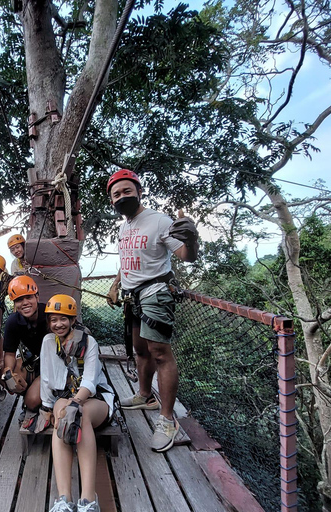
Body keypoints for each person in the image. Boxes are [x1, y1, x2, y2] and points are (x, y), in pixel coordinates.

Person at [105, 169, 198, 453]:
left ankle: (168, 419)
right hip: (133, 295)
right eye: (116, 194)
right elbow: (128, 259)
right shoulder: (124, 227)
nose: (122, 197)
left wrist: (192, 239)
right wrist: (116, 283)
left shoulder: (158, 221)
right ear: (112, 201)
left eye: (126, 191)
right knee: (139, 349)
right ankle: (146, 395)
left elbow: (185, 255)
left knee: (160, 353)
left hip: (156, 292)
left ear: (139, 191)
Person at [40, 294, 114, 512]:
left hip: (94, 397)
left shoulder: (88, 342)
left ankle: (88, 499)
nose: (58, 324)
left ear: (73, 319)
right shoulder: (47, 342)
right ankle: (64, 499)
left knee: (77, 415)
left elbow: (91, 380)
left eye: (63, 319)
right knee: (64, 414)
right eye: (53, 319)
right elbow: (46, 377)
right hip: (63, 394)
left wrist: (76, 402)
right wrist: (46, 406)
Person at [1, 276, 48, 426]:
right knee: (6, 378)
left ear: (37, 297)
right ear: (14, 304)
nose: (25, 303)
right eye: (19, 300)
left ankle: (36, 399)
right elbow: (9, 353)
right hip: (36, 361)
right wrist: (9, 373)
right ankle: (31, 394)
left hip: (56, 364)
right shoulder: (13, 322)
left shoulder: (49, 314)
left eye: (28, 297)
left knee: (32, 401)